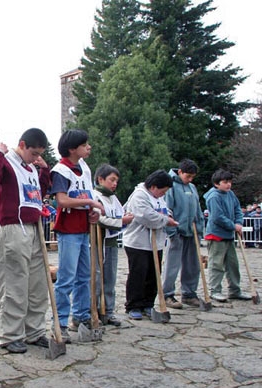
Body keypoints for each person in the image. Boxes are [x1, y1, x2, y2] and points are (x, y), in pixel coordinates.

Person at [0, 128, 51, 353]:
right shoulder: (5, 161)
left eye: (39, 155)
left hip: (35, 228)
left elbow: (39, 192)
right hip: (13, 227)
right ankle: (10, 334)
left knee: (37, 284)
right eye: (33, 153)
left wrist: (44, 171)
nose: (36, 158)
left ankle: (34, 331)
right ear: (22, 145)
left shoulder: (31, 167)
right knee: (14, 282)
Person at [50, 129, 104, 343]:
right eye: (84, 145)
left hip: (84, 227)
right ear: (73, 149)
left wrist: (93, 211)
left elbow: (87, 194)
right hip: (69, 229)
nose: (88, 147)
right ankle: (60, 322)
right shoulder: (61, 170)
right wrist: (89, 203)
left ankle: (81, 317)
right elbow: (62, 200)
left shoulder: (85, 167)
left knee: (85, 276)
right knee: (66, 278)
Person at [123, 170, 178, 320]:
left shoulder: (159, 198)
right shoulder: (139, 195)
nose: (163, 194)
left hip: (156, 242)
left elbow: (165, 210)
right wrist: (166, 220)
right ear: (154, 187)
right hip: (138, 242)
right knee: (138, 274)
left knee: (154, 274)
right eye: (163, 190)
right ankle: (133, 305)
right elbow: (146, 216)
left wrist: (169, 216)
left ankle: (148, 303)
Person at [92, 164, 134, 326]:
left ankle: (108, 311)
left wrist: (125, 217)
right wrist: (120, 221)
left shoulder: (113, 198)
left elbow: (119, 213)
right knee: (96, 278)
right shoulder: (95, 196)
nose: (115, 183)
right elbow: (100, 219)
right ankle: (94, 311)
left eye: (117, 180)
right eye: (112, 180)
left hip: (111, 242)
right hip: (97, 242)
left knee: (110, 278)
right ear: (100, 179)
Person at [161, 159, 205, 309]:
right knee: (172, 265)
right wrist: (172, 231)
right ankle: (167, 294)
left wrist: (199, 229)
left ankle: (189, 293)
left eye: (193, 177)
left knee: (193, 264)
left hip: (192, 232)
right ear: (180, 172)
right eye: (188, 176)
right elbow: (167, 209)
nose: (190, 180)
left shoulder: (192, 188)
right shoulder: (170, 186)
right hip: (177, 232)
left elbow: (198, 209)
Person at [203, 169, 252, 302]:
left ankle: (235, 290)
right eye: (225, 182)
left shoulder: (230, 194)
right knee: (216, 264)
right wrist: (233, 225)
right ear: (217, 184)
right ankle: (215, 290)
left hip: (229, 235)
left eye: (230, 182)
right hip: (216, 234)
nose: (228, 185)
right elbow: (218, 217)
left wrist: (238, 223)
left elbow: (237, 209)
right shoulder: (214, 197)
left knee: (232, 264)